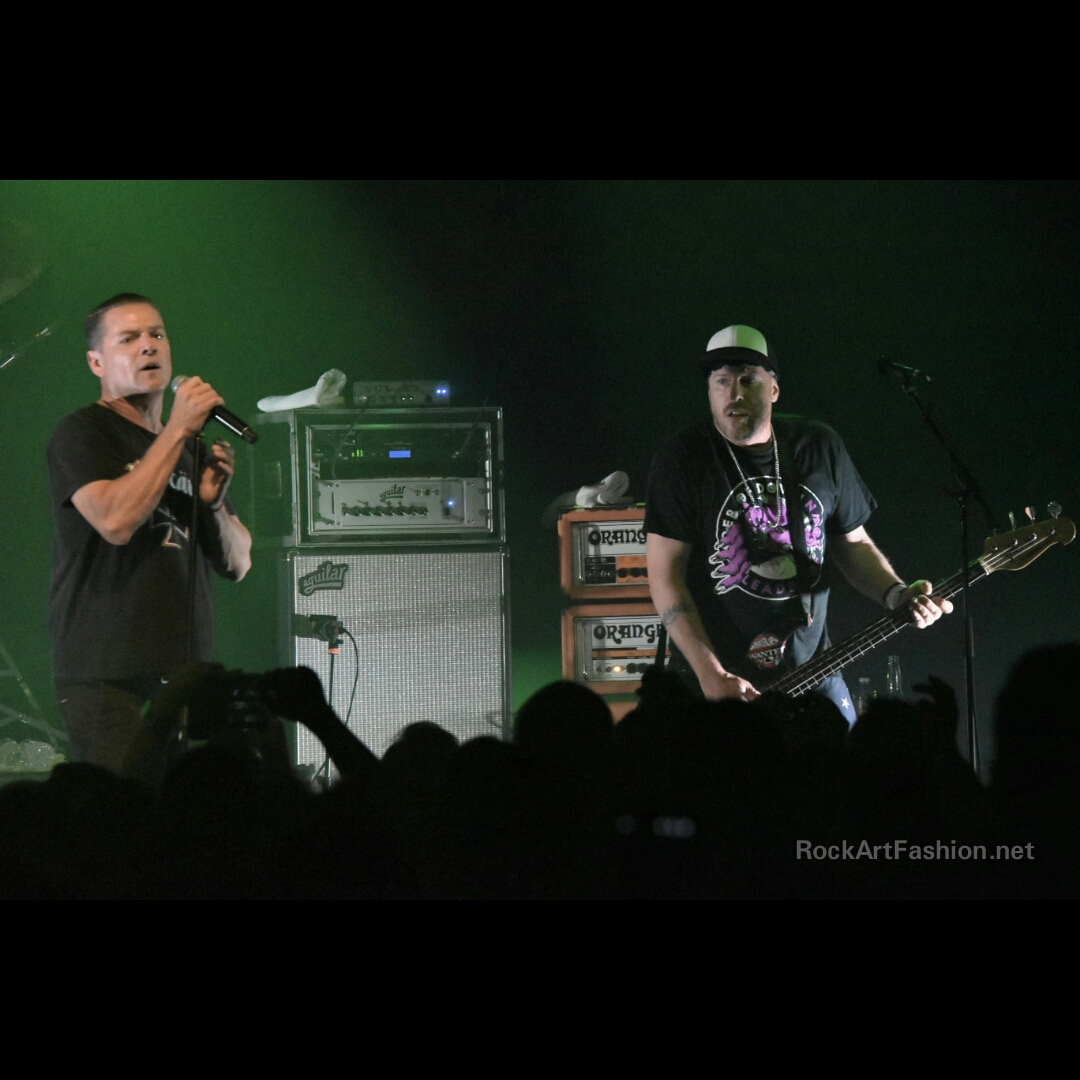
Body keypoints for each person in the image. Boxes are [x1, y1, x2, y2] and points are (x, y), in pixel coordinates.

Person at [645, 325, 951, 723]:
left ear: (774, 389)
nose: (734, 393)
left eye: (748, 380)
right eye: (721, 381)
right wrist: (711, 674)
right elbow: (665, 576)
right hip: (718, 681)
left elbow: (853, 543)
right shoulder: (681, 460)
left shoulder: (818, 447)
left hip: (812, 670)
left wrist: (895, 594)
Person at [47, 293, 253, 770]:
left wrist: (214, 506)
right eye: (129, 338)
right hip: (105, 670)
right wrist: (177, 430)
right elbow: (115, 522)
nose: (148, 345)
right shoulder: (83, 432)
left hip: (181, 671)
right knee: (124, 801)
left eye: (157, 334)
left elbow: (239, 563)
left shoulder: (187, 447)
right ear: (96, 362)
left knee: (182, 805)